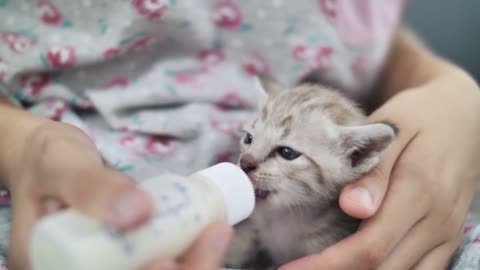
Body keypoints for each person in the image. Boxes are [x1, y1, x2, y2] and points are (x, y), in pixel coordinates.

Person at [1, 1, 479, 269]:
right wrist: (22, 145)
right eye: (249, 141)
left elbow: (373, 37)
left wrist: (450, 88)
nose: (246, 162)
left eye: (283, 153)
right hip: (48, 199)